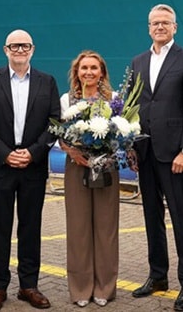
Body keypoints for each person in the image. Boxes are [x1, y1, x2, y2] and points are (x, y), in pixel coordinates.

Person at [0, 30, 60, 311]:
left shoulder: (47, 82)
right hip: (0, 166)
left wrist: (33, 153)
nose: (20, 50)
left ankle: (28, 285)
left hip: (32, 168)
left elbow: (54, 124)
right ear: (5, 49)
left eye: (25, 45)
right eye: (14, 46)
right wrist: (5, 153)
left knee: (30, 227)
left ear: (32, 49)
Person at [129, 3, 183, 312]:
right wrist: (132, 145)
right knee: (151, 217)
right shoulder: (138, 61)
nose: (160, 27)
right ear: (148, 28)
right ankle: (157, 275)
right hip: (146, 152)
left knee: (181, 218)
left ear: (174, 27)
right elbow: (133, 107)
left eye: (165, 22)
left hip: (175, 154)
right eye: (155, 23)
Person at [57, 51, 120, 308]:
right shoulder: (66, 100)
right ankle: (81, 288)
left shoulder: (115, 99)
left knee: (106, 229)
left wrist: (108, 150)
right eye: (84, 68)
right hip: (77, 166)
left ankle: (105, 287)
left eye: (94, 68)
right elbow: (60, 134)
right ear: (77, 72)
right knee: (79, 229)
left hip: (106, 167)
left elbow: (121, 132)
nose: (89, 72)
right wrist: (71, 150)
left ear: (102, 72)